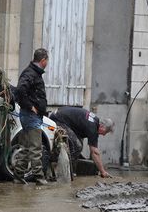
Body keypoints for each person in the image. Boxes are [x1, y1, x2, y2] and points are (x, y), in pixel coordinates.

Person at [13, 48, 49, 185]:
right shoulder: (31, 73)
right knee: (35, 149)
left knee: (26, 147)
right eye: (47, 60)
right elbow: (20, 90)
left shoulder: (33, 73)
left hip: (30, 116)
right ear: (43, 60)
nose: (47, 63)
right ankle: (39, 178)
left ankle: (18, 176)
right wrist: (30, 106)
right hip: (30, 116)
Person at [49, 106, 115, 178]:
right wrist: (103, 171)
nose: (104, 135)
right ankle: (64, 172)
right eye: (106, 132)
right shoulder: (92, 128)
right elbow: (94, 152)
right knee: (77, 147)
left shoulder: (95, 122)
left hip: (60, 115)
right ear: (102, 127)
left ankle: (70, 170)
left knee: (78, 144)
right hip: (58, 119)